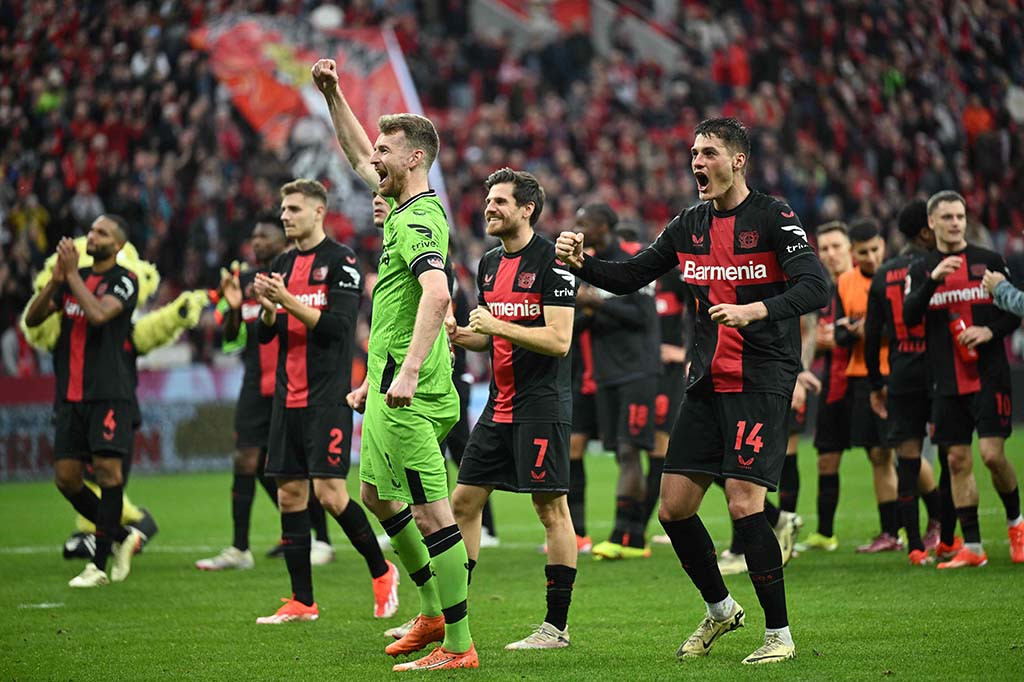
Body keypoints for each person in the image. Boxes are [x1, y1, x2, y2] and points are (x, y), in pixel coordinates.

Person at [556, 117, 829, 664]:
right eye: (693, 153)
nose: (697, 163)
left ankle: (779, 633)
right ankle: (722, 609)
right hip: (706, 381)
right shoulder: (687, 225)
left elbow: (815, 285)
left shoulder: (774, 216)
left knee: (744, 501)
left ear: (738, 161)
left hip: (761, 376)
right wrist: (578, 261)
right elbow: (631, 275)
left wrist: (757, 309)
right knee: (674, 509)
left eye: (708, 153)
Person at [313, 57, 477, 671]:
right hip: (382, 384)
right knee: (379, 497)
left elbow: (438, 294)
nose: (373, 159)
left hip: (408, 387)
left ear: (414, 159)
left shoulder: (421, 219)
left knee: (434, 512)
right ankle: (431, 612)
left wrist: (405, 373)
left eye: (386, 151)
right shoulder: (401, 207)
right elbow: (358, 155)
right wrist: (334, 94)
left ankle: (459, 647)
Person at [253, 179, 398, 624]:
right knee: (290, 494)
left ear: (318, 212)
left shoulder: (342, 261)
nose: (284, 216)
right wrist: (266, 307)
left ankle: (382, 572)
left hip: (326, 397)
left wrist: (286, 301)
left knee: (331, 494)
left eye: (293, 208)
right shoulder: (281, 262)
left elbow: (336, 327)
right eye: (283, 208)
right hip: (287, 396)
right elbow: (266, 334)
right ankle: (302, 601)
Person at [448, 168, 578, 649]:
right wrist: (465, 336)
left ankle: (555, 627)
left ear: (527, 209)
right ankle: (450, 617)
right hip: (498, 405)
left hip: (541, 406)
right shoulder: (488, 263)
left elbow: (558, 340)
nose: (490, 208)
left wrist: (498, 326)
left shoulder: (554, 263)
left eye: (501, 201)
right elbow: (488, 333)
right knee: (463, 503)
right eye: (488, 200)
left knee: (550, 509)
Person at [196, 216, 336, 571]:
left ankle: (320, 540)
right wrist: (229, 305)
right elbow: (232, 341)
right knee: (247, 460)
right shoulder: (243, 282)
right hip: (255, 383)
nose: (255, 241)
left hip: (295, 380)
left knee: (297, 468)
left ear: (283, 237)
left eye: (263, 234)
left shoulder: (298, 275)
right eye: (253, 235)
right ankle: (240, 548)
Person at [903, 190, 1024, 568]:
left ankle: (1016, 524)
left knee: (991, 456)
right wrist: (932, 282)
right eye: (948, 217)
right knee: (956, 460)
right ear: (932, 224)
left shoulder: (988, 261)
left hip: (988, 374)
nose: (956, 223)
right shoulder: (921, 269)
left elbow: (1014, 313)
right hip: (945, 380)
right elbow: (909, 317)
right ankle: (972, 547)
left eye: (960, 216)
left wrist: (989, 333)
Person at [24, 215, 145, 587]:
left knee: (108, 474)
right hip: (70, 395)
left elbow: (97, 314)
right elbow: (32, 318)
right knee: (66, 479)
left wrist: (71, 276)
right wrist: (56, 281)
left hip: (109, 393)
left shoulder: (124, 281)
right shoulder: (71, 280)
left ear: (119, 245)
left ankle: (98, 565)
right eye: (91, 230)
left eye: (103, 232)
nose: (93, 236)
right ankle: (123, 536)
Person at [573, 203, 660, 560]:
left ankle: (627, 536)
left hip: (638, 370)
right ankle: (631, 536)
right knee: (619, 453)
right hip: (607, 373)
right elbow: (580, 321)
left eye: (585, 224)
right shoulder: (587, 269)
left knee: (629, 450)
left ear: (605, 226)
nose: (580, 230)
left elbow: (641, 315)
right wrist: (585, 307)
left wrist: (596, 303)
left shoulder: (634, 261)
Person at [863, 200, 944, 565]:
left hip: (900, 374)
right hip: (941, 373)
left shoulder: (884, 274)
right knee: (953, 455)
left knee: (906, 463)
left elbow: (870, 334)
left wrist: (876, 383)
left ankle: (914, 546)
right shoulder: (938, 266)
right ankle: (952, 538)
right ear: (926, 230)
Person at [834, 218, 901, 553]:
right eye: (864, 252)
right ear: (854, 253)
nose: (872, 256)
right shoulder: (844, 282)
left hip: (894, 373)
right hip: (860, 375)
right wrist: (854, 331)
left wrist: (867, 331)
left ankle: (935, 520)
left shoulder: (897, 278)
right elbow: (839, 333)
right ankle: (890, 531)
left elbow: (905, 327)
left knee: (903, 448)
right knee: (876, 454)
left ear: (883, 246)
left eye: (875, 249)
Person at [801, 222, 853, 551]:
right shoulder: (821, 290)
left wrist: (841, 337)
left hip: (868, 380)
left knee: (885, 456)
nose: (831, 254)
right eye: (826, 248)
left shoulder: (865, 285)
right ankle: (825, 532)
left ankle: (899, 529)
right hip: (832, 384)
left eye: (837, 246)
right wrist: (820, 342)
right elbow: (812, 336)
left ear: (849, 248)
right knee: (826, 460)